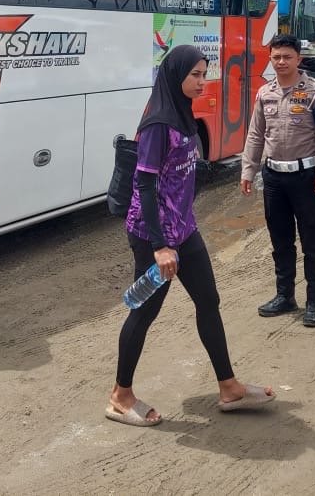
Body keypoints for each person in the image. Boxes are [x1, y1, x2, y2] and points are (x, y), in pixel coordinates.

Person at [108, 45, 274, 426]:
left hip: (184, 228)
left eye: (204, 73)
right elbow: (145, 187)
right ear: (176, 75)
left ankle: (229, 387)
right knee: (145, 310)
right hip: (155, 236)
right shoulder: (157, 124)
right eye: (196, 75)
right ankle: (120, 395)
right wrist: (159, 246)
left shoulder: (184, 115)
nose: (203, 81)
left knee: (208, 300)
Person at [241, 34, 315, 327]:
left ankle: (314, 301)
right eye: (276, 57)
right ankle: (285, 296)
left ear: (299, 59)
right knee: (280, 240)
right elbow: (256, 135)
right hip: (273, 178)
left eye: (287, 57)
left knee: (311, 240)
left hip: (306, 177)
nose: (281, 62)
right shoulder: (264, 93)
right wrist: (248, 170)